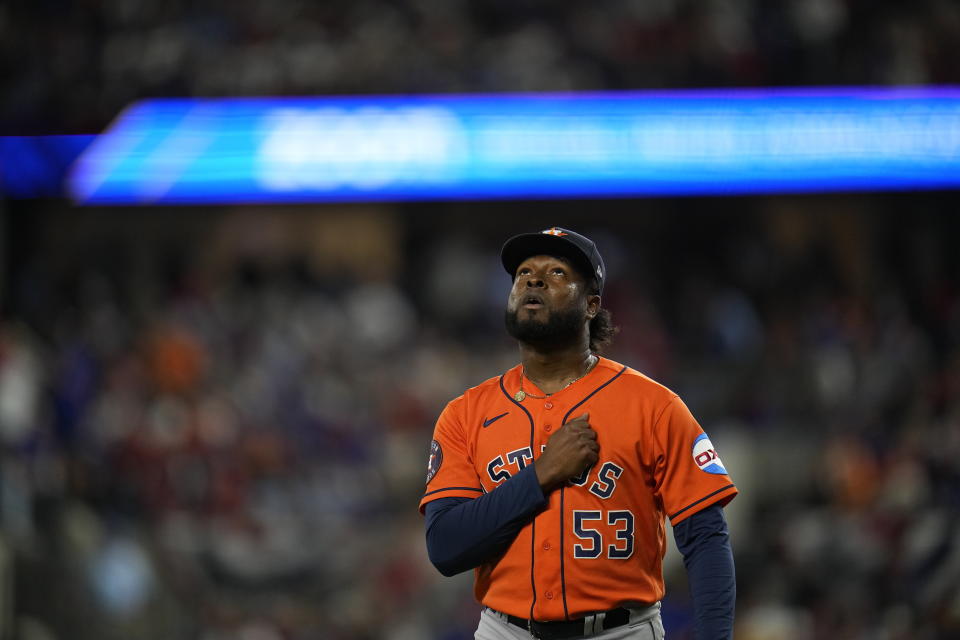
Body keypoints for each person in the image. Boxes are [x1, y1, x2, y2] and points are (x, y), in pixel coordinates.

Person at [420, 227, 737, 640]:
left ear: (591, 305)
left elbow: (705, 537)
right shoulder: (465, 414)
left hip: (622, 630)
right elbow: (445, 547)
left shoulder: (654, 406)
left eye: (555, 273)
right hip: (506, 630)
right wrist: (541, 474)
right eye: (523, 273)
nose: (533, 279)